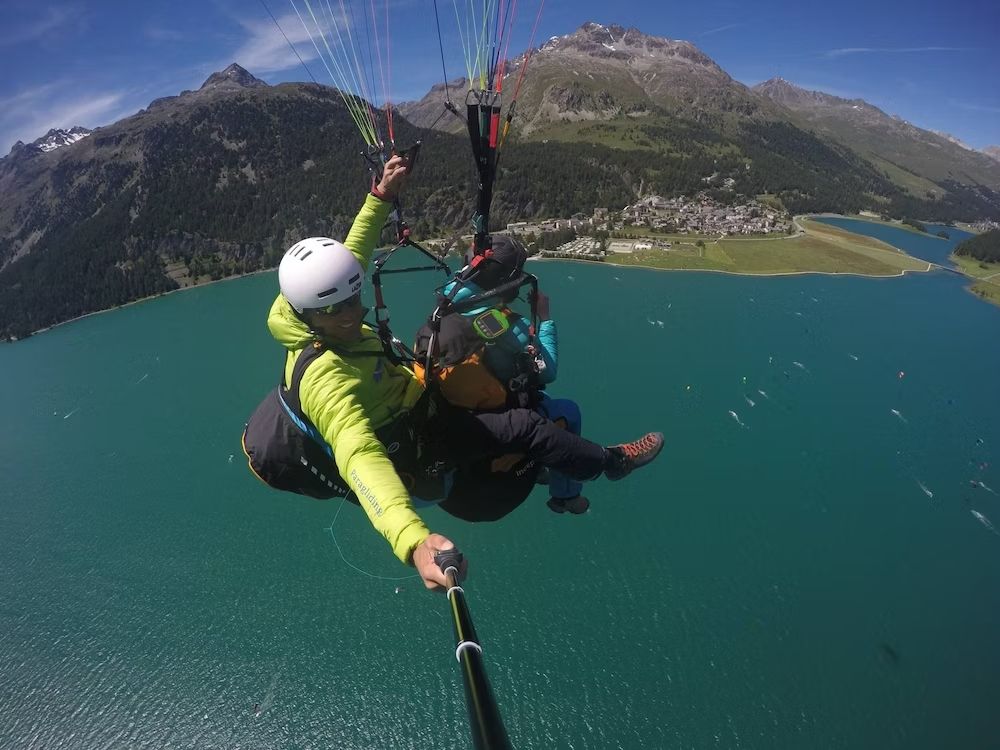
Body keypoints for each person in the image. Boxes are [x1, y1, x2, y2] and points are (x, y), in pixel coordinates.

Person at [266, 154, 664, 590]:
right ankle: (610, 463)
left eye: (355, 297)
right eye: (343, 310)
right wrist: (412, 541)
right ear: (313, 315)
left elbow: (353, 252)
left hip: (419, 401)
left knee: (518, 406)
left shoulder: (313, 304)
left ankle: (561, 467)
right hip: (415, 442)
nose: (357, 310)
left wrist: (380, 196)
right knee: (527, 425)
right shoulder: (326, 380)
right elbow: (358, 456)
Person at [439, 236, 590, 515]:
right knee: (568, 412)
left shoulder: (446, 304)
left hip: (455, 414)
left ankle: (544, 464)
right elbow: (548, 371)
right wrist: (544, 318)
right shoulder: (503, 324)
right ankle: (565, 496)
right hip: (499, 416)